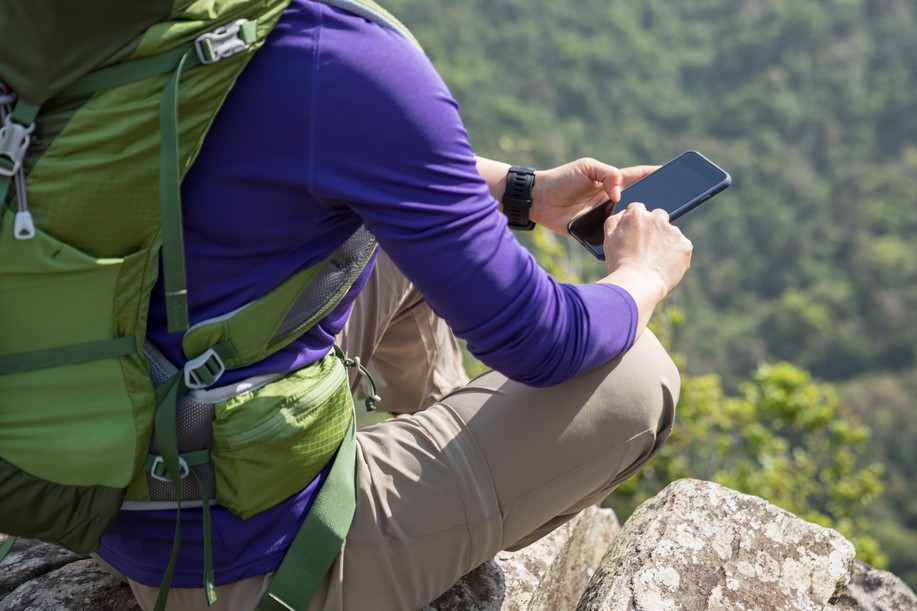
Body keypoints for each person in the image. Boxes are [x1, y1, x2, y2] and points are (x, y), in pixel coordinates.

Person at [89, 0, 692, 608]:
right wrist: (642, 275)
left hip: (102, 462)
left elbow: (328, 151)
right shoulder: (339, 55)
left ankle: (444, 441)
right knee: (638, 376)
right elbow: (543, 342)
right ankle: (434, 503)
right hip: (230, 561)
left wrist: (521, 193)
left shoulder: (124, 29)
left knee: (386, 228)